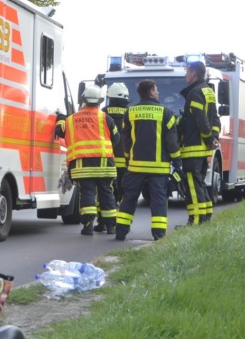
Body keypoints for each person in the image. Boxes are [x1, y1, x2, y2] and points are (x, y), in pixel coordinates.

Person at [115, 79, 181, 241]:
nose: (158, 92)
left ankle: (121, 231)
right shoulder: (166, 113)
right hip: (159, 168)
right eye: (156, 89)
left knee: (129, 198)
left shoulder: (130, 112)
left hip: (135, 166)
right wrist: (177, 162)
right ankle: (158, 234)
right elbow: (172, 142)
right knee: (159, 200)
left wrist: (128, 159)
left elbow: (125, 140)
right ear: (151, 92)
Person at [55, 85, 119, 235]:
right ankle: (110, 226)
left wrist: (60, 118)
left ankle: (88, 225)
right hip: (104, 164)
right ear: (100, 101)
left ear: (83, 99)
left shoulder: (71, 120)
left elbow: (60, 131)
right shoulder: (105, 118)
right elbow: (116, 139)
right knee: (106, 192)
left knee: (87, 193)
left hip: (81, 165)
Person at [177, 61, 219, 225]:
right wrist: (213, 137)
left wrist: (208, 138)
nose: (185, 75)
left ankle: (196, 221)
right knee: (200, 184)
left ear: (194, 73)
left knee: (193, 186)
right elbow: (214, 118)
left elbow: (200, 118)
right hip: (203, 149)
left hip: (193, 148)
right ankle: (206, 216)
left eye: (187, 71)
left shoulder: (194, 92)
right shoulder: (208, 91)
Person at [94, 82, 130, 232]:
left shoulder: (103, 113)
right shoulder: (130, 113)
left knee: (104, 191)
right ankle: (120, 224)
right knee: (124, 193)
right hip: (126, 160)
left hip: (106, 158)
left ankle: (102, 222)